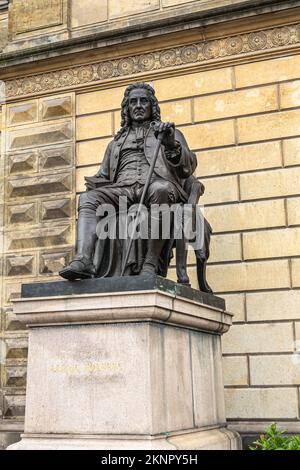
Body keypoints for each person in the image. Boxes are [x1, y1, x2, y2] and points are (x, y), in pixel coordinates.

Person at [59, 82, 197, 280]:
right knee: (88, 198)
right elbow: (104, 176)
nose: (138, 105)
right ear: (127, 109)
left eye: (144, 101)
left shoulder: (169, 133)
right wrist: (95, 184)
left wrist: (171, 145)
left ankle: (150, 262)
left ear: (152, 107)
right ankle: (83, 259)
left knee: (162, 189)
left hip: (154, 186)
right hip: (123, 189)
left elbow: (187, 169)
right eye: (133, 102)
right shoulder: (115, 143)